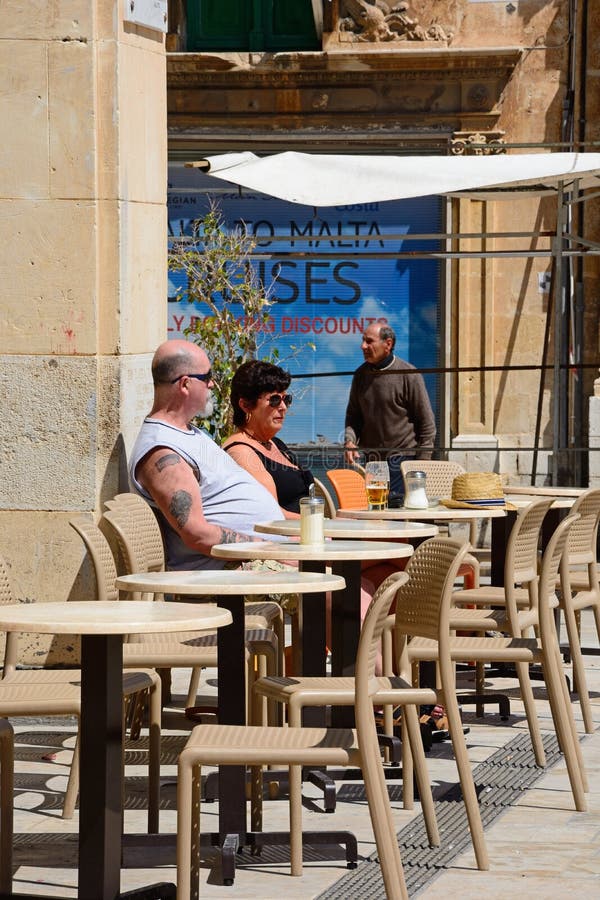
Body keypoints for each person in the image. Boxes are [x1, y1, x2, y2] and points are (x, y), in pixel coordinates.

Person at [128, 340, 284, 571]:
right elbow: (197, 535)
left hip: (259, 559)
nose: (211, 384)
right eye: (206, 377)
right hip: (232, 572)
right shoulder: (162, 452)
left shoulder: (186, 432)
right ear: (185, 384)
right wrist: (273, 549)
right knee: (336, 588)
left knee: (352, 569)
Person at [344, 322, 436, 503]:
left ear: (388, 344)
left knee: (396, 516)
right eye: (363, 341)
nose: (363, 346)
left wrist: (419, 468)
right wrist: (349, 440)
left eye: (369, 341)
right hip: (373, 462)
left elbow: (428, 426)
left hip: (403, 460)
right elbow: (353, 417)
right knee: (375, 515)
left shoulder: (409, 374)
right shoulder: (360, 375)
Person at [223, 360, 313, 519]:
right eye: (275, 400)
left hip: (308, 532)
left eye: (286, 399)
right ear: (245, 405)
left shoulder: (275, 443)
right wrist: (323, 523)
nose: (283, 407)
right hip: (285, 538)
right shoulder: (240, 451)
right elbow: (272, 514)